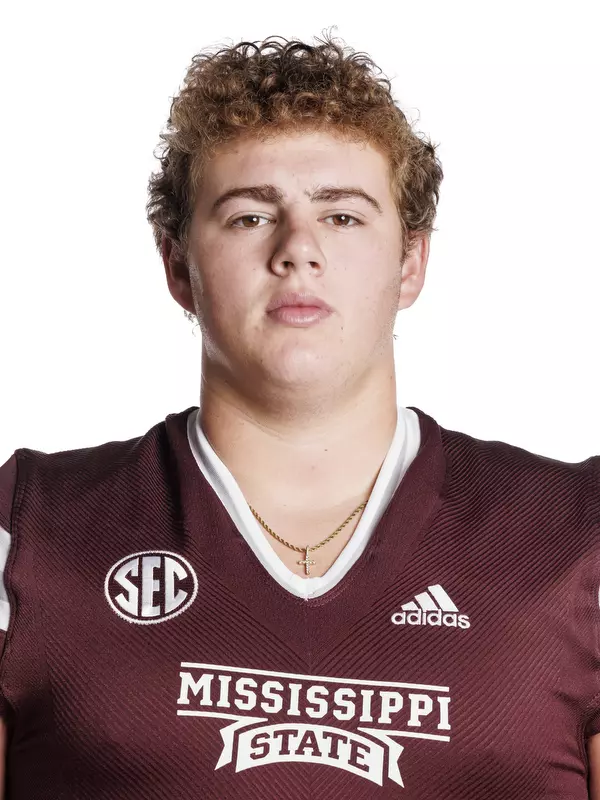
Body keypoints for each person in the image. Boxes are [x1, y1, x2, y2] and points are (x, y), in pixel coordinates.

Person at [0, 32, 599, 799]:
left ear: (411, 261)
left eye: (343, 217)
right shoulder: (31, 532)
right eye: (251, 216)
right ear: (178, 266)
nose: (298, 251)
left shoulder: (575, 540)